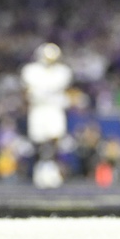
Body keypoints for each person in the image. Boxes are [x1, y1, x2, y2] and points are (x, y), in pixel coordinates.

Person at [21, 42, 73, 189]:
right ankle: (41, 169)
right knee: (38, 140)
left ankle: (52, 169)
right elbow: (29, 93)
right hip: (38, 109)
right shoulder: (31, 71)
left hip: (54, 109)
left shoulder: (63, 71)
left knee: (55, 139)